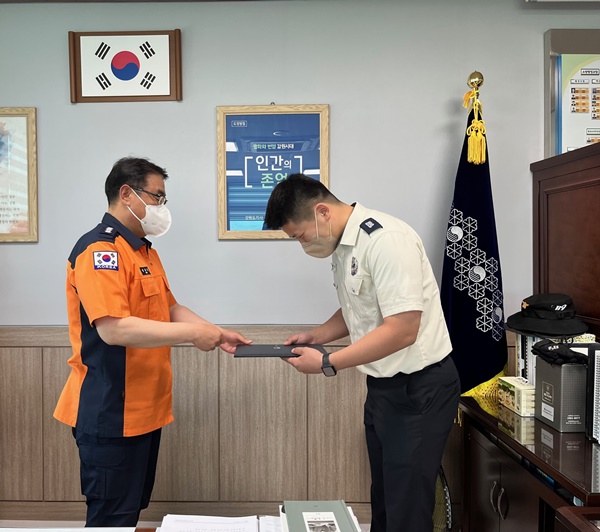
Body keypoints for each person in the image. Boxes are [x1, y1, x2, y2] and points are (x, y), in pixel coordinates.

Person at [54, 157, 251, 527]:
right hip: (111, 410)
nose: (162, 207)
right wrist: (193, 335)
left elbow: (170, 309)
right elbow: (114, 330)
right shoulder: (100, 251)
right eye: (157, 197)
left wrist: (215, 331)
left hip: (145, 410)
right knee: (111, 518)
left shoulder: (143, 251)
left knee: (129, 512)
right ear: (127, 194)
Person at [264, 174, 460, 532]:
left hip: (420, 389)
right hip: (383, 389)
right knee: (384, 500)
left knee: (407, 508)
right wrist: (317, 336)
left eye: (300, 236)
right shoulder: (344, 246)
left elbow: (403, 328)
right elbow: (359, 308)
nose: (302, 244)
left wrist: (327, 362)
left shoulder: (386, 240)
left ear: (322, 212)